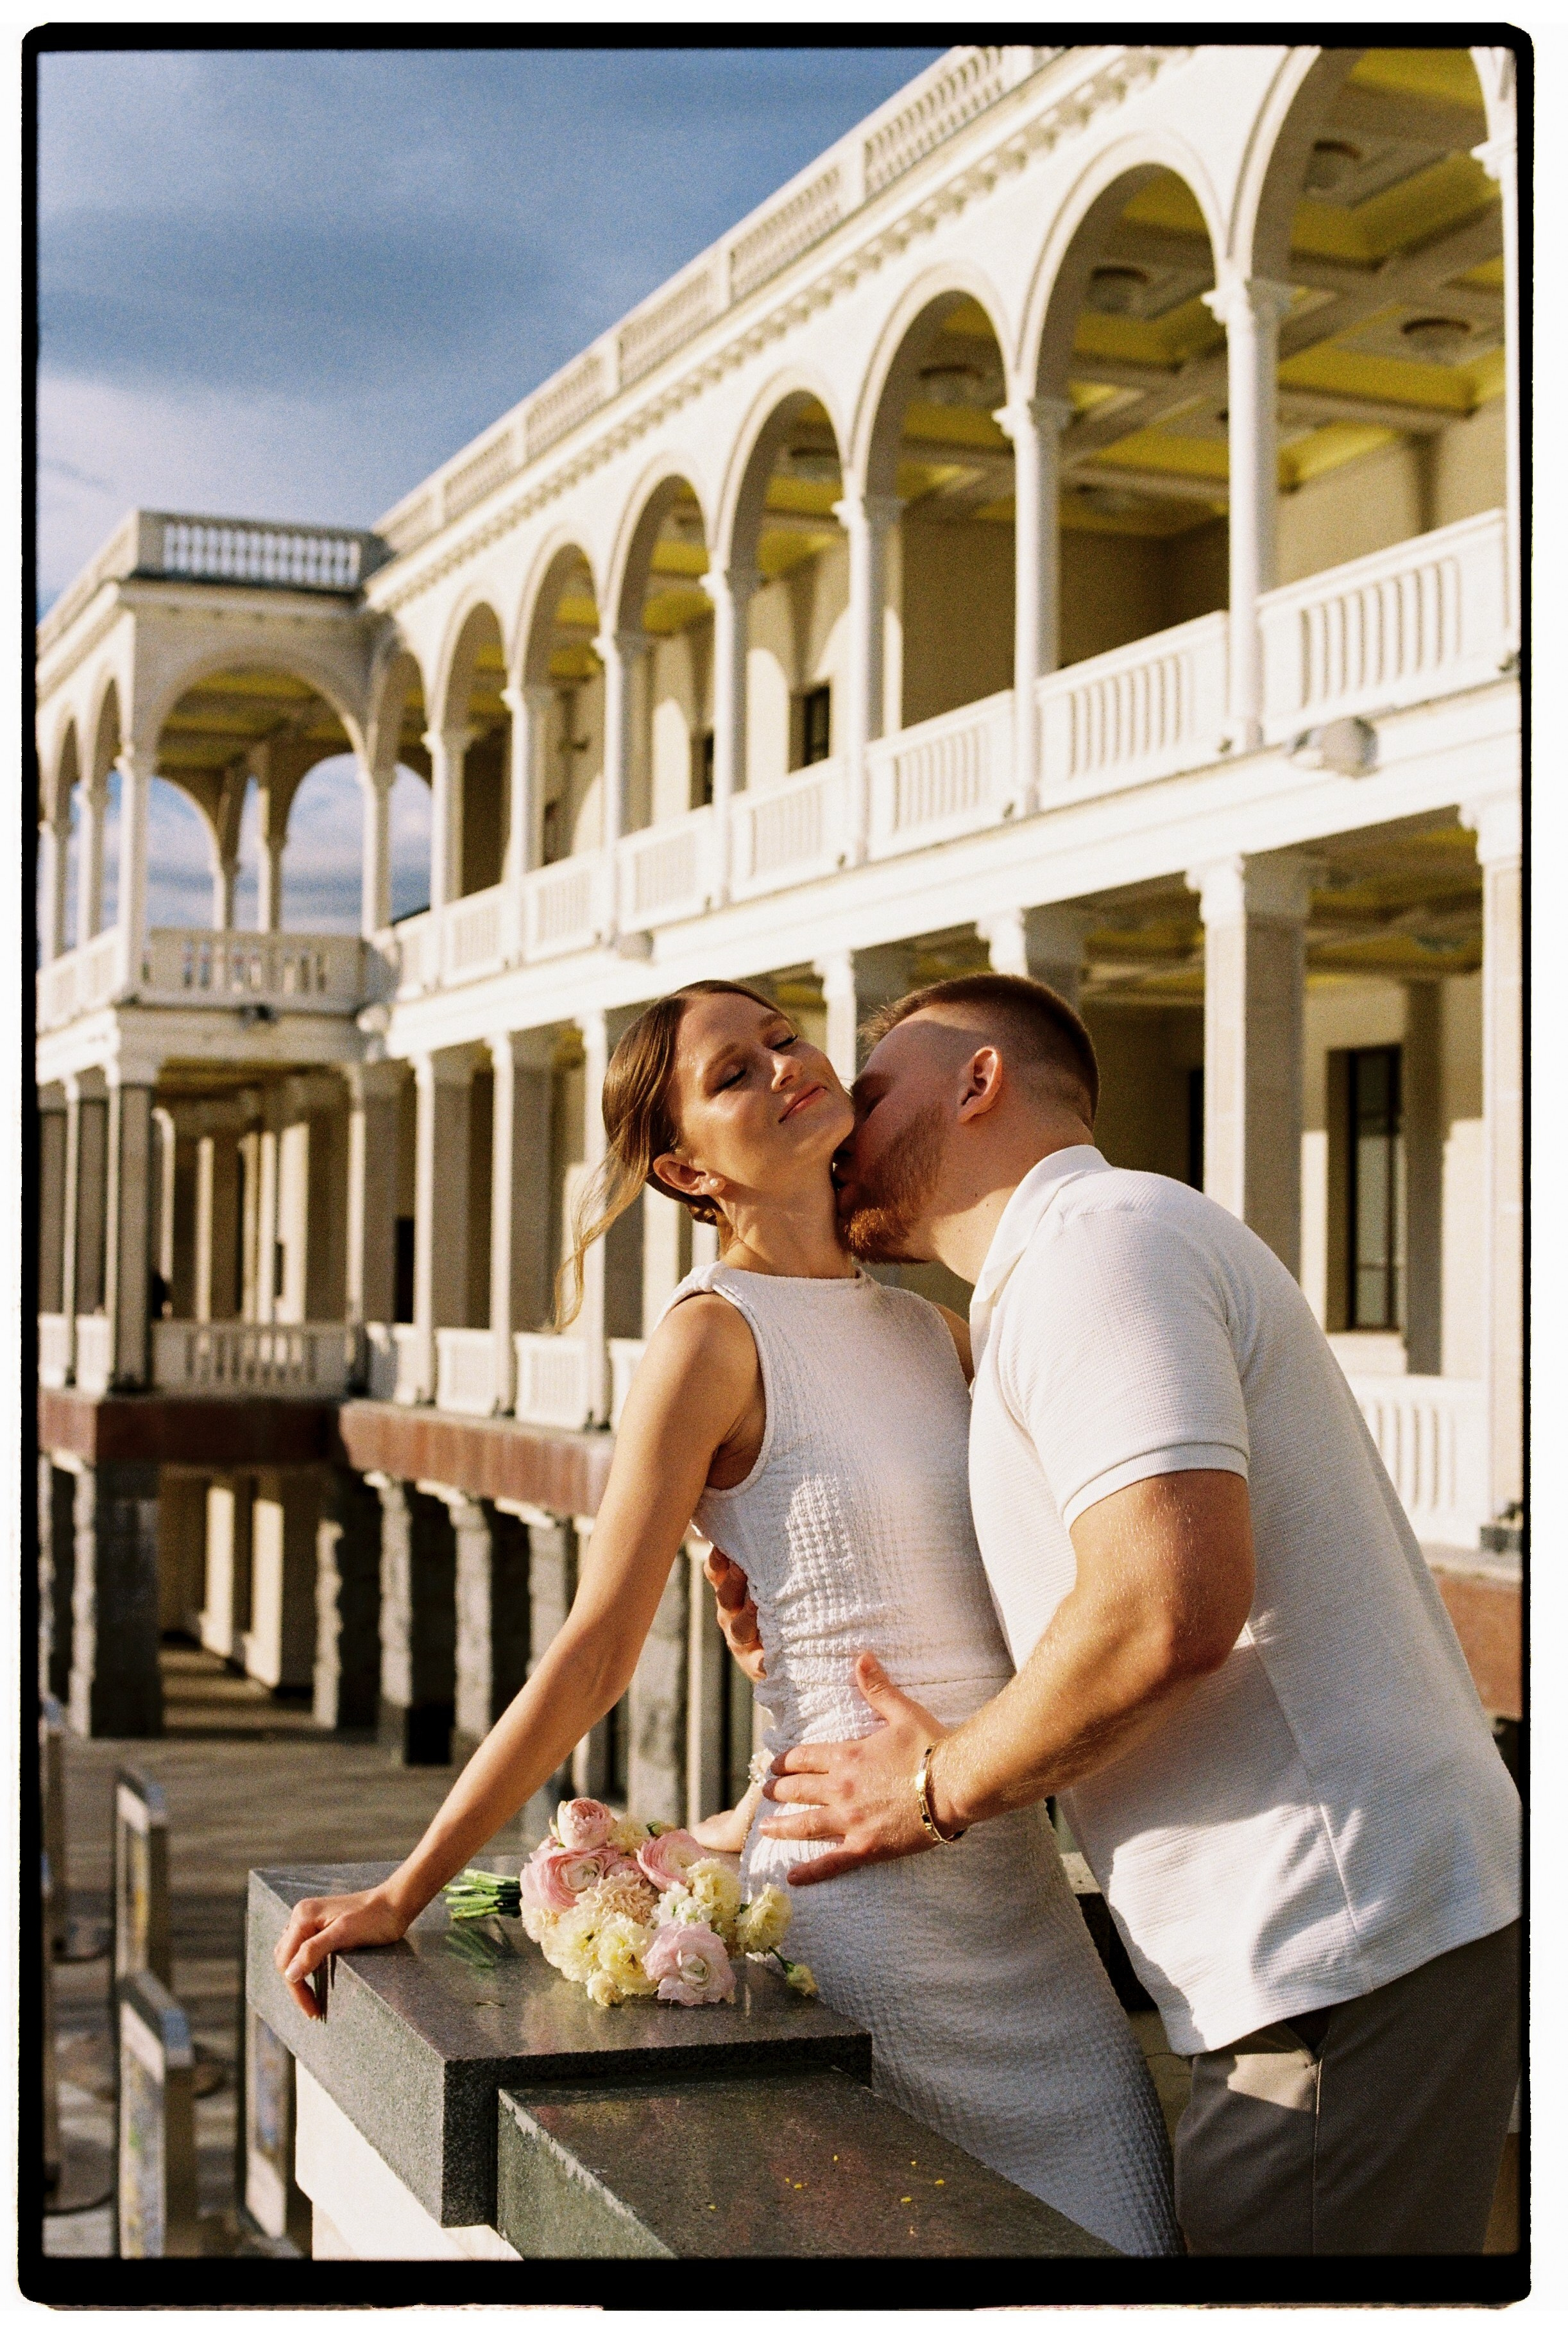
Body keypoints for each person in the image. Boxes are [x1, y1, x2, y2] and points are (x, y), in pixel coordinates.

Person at [273, 980, 1178, 2258]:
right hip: (864, 1921)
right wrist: (406, 1889)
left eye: (782, 1038)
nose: (787, 1066)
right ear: (684, 1164)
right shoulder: (712, 1337)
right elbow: (594, 1650)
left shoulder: (940, 1332)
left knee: (1133, 2239)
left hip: (1021, 1915)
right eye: (734, 1072)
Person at [719, 968, 1520, 2257]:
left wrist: (930, 1787)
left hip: (1336, 1949)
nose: (842, 1127)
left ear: (977, 1082)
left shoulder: (1098, 1245)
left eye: (870, 1093)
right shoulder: (1062, 1272)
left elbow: (1166, 1606)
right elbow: (1091, 1605)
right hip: (1339, 1947)